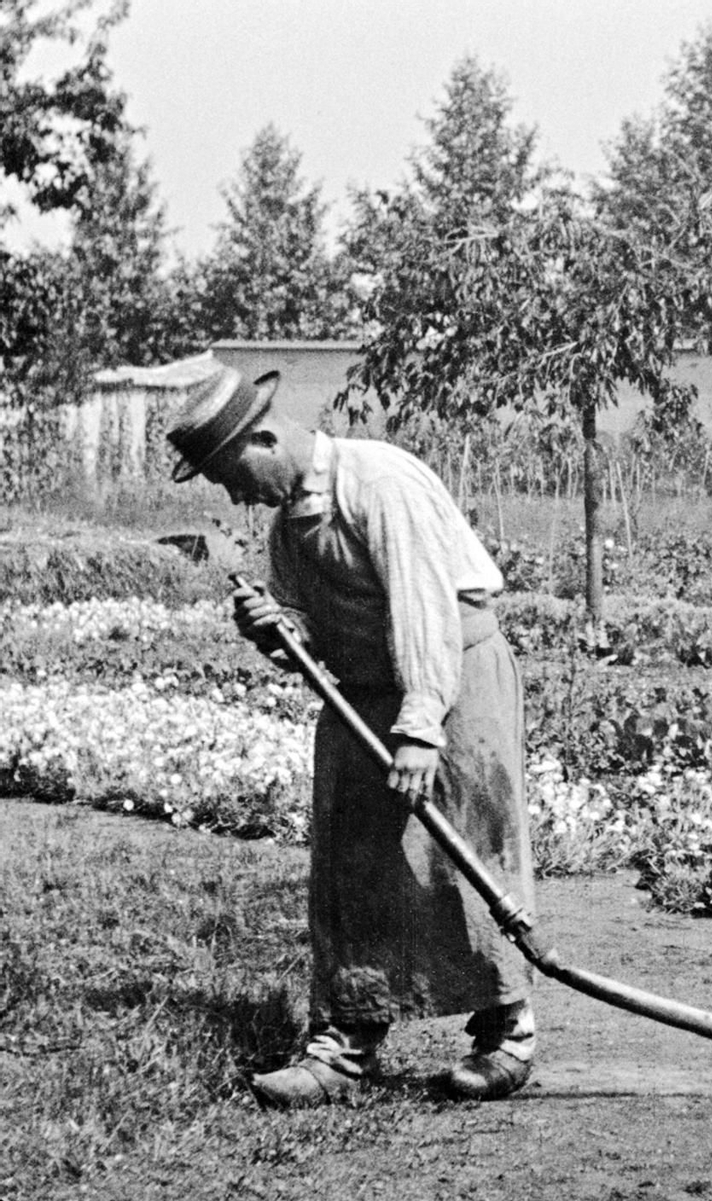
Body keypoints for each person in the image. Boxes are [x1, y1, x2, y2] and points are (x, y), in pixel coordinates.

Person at [167, 365, 538, 1109]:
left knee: (464, 853)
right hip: (360, 692)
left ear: (265, 437)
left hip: (452, 680)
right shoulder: (287, 525)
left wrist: (422, 725)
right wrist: (276, 631)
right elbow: (306, 629)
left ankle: (507, 1034)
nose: (234, 495)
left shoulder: (381, 481)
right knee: (350, 861)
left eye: (230, 473)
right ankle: (345, 1044)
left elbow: (425, 608)